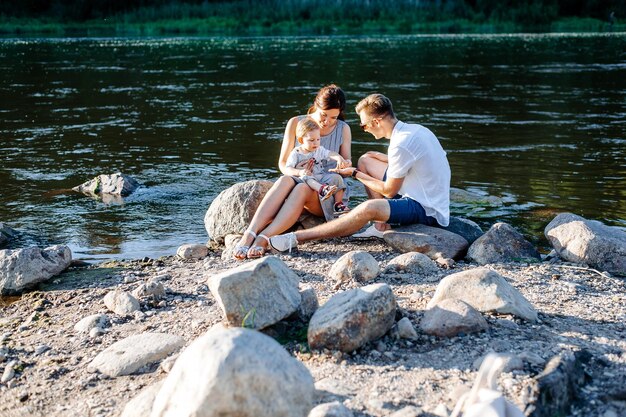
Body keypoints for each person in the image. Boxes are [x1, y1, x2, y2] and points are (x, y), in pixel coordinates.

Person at [269, 93, 450, 253]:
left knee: (367, 209)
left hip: (426, 209)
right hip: (427, 193)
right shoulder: (415, 130)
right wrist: (383, 157)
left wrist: (355, 173)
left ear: (376, 122)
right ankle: (381, 227)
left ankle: (296, 238)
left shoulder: (400, 144)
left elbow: (388, 191)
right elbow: (426, 159)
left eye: (364, 126)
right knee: (366, 160)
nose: (364, 129)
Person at [233, 84, 352, 259]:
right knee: (284, 180)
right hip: (298, 178)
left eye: (333, 117)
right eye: (323, 115)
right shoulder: (296, 123)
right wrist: (299, 172)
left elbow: (347, 166)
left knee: (302, 188)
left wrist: (344, 164)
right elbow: (282, 164)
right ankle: (249, 234)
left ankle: (263, 238)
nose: (327, 121)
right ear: (315, 106)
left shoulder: (343, 129)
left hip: (327, 191)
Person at [286, 117, 350, 215]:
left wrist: (337, 157)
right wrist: (299, 172)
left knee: (337, 177)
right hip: (306, 179)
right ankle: (321, 189)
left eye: (318, 139)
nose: (316, 143)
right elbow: (288, 168)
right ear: (301, 140)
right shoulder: (296, 153)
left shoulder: (319, 150)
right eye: (311, 140)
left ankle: (338, 205)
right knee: (306, 176)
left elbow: (330, 153)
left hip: (320, 176)